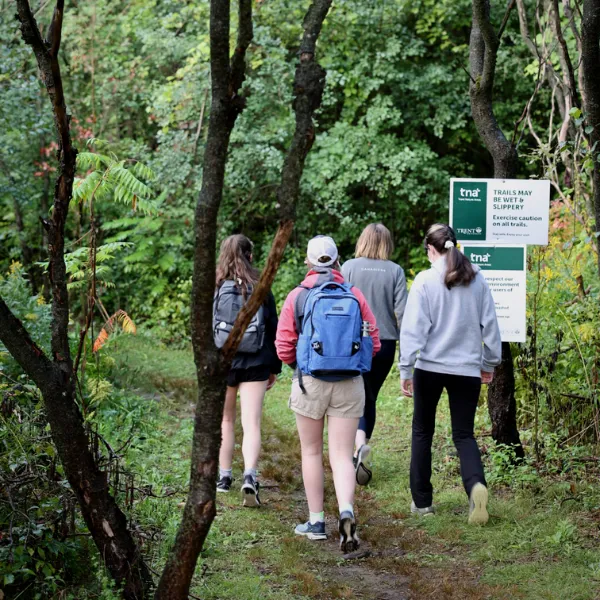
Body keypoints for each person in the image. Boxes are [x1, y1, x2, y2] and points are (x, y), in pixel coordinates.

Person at [276, 235, 380, 552]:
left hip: (310, 382)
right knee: (340, 454)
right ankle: (346, 512)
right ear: (338, 261)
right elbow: (373, 342)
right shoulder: (355, 295)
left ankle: (317, 521)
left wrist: (305, 364)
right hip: (349, 383)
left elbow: (283, 347)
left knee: (311, 452)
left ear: (308, 262)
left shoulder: (298, 296)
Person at [399, 223, 501, 525]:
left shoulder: (425, 280)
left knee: (422, 432)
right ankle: (475, 488)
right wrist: (489, 363)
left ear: (431, 249)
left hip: (429, 368)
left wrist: (406, 368)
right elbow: (491, 326)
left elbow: (413, 329)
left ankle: (422, 503)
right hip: (467, 370)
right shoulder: (477, 279)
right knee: (464, 435)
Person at [214, 234, 281, 507]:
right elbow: (274, 328)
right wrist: (274, 367)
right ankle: (250, 476)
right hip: (256, 361)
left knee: (226, 421)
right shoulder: (261, 287)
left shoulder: (215, 286)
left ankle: (223, 477)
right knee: (251, 423)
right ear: (250, 256)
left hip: (224, 362)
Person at [342, 223, 407, 485]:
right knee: (370, 396)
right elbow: (402, 312)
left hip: (352, 343)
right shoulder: (395, 271)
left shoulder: (347, 267)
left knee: (353, 395)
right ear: (387, 244)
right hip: (385, 344)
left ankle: (357, 448)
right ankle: (360, 446)